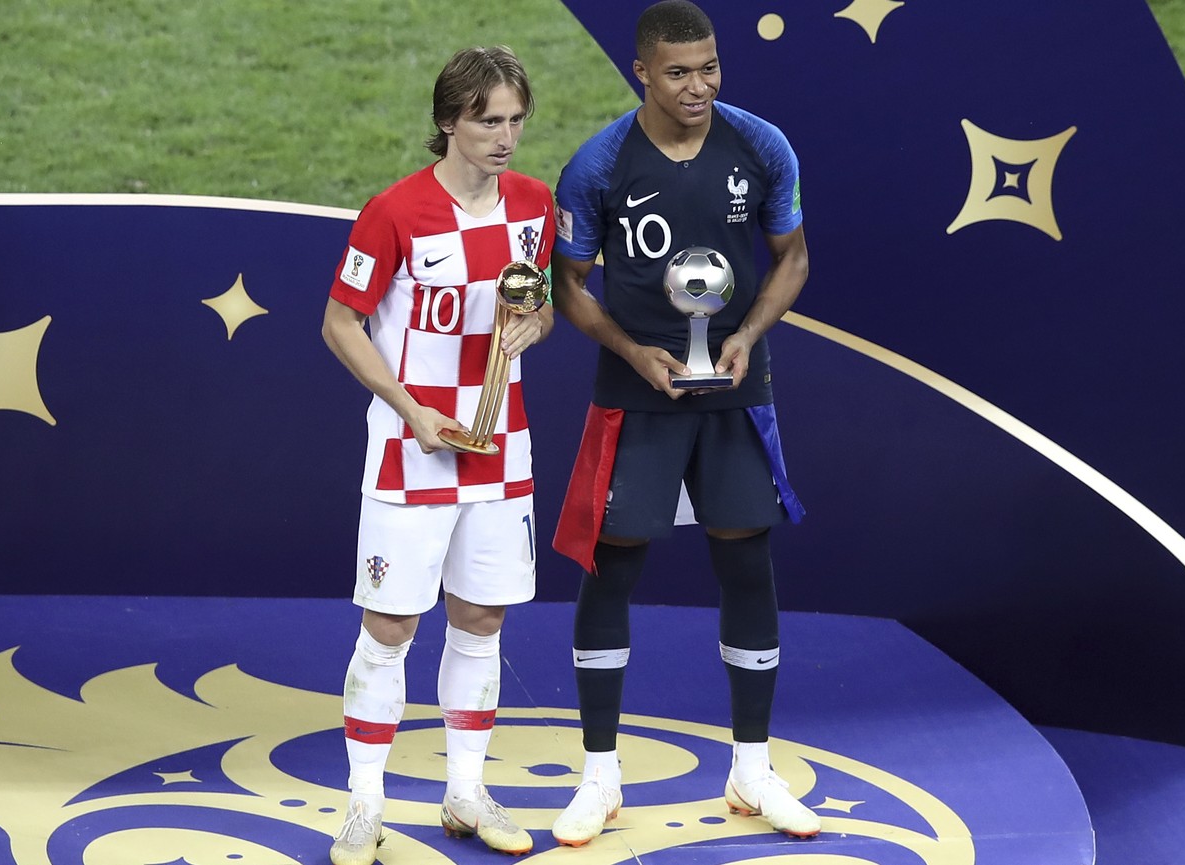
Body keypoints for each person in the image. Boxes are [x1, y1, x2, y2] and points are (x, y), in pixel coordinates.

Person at [547, 0, 816, 847]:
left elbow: (793, 256)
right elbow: (571, 284)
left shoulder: (762, 145)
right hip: (636, 395)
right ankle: (599, 774)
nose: (697, 86)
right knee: (613, 563)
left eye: (708, 68)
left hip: (737, 388)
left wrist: (743, 335)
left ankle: (752, 766)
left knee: (745, 555)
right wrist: (633, 350)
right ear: (641, 73)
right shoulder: (597, 167)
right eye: (677, 72)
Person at [319, 45, 555, 865]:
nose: (505, 137)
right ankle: (364, 804)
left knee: (481, 620)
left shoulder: (535, 205)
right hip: (411, 450)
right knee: (389, 628)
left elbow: (536, 306)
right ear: (448, 121)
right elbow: (340, 322)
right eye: (488, 121)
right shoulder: (393, 212)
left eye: (516, 120)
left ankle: (464, 789)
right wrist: (410, 408)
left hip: (502, 447)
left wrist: (536, 324)